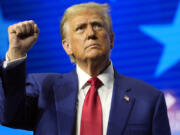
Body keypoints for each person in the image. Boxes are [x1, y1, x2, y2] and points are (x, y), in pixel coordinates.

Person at [0, 2, 171, 135]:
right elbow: (9, 115)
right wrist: (16, 52)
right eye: (80, 28)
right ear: (67, 46)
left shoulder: (149, 99)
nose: (91, 33)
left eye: (97, 25)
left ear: (111, 39)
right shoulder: (43, 89)